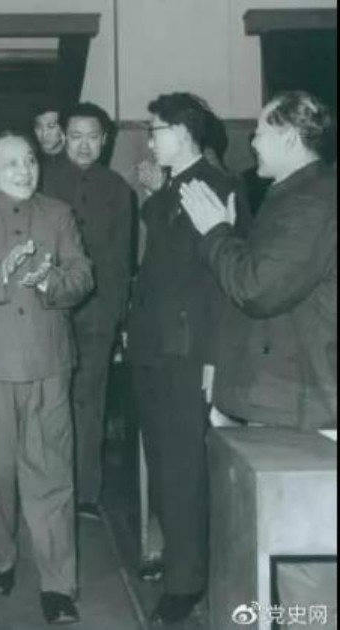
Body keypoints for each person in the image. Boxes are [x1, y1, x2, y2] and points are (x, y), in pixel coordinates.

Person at [180, 90, 337, 626]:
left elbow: (256, 288)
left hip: (299, 403)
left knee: (304, 558)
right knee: (287, 553)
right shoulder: (295, 193)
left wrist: (215, 233)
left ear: (290, 137)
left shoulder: (312, 201)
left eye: (262, 131)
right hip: (287, 394)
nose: (252, 141)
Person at [0, 130, 93, 625]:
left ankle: (58, 585)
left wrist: (51, 279)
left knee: (53, 477)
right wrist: (1, 272)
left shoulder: (59, 214)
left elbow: (82, 278)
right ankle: (0, 557)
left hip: (48, 365)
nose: (25, 170)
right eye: (11, 163)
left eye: (29, 160)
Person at [125, 92, 248, 625]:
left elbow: (225, 283)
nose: (149, 140)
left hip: (187, 355)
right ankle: (179, 562)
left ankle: (185, 584)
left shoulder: (217, 187)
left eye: (155, 130)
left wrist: (215, 360)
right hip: (155, 349)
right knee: (164, 465)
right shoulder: (174, 186)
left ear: (181, 132)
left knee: (182, 472)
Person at [42, 101, 135, 519]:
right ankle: (46, 486)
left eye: (93, 137)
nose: (84, 145)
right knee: (46, 401)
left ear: (105, 140)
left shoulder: (118, 189)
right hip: (47, 312)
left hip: (97, 315)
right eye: (76, 136)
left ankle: (85, 493)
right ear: (63, 137)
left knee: (89, 403)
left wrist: (115, 316)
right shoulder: (41, 181)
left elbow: (121, 261)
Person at [33, 100, 66, 166]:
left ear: (63, 128)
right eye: (39, 127)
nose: (44, 134)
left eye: (51, 126)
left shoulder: (76, 157)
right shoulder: (32, 157)